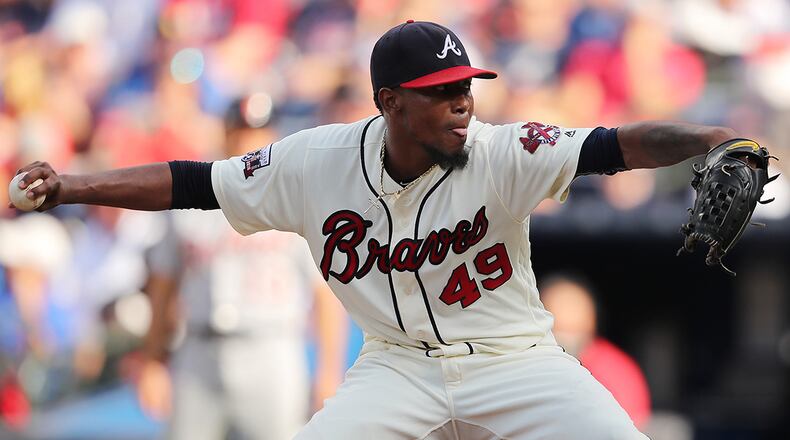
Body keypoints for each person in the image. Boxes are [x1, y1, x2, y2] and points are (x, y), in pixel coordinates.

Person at [9, 20, 749, 439]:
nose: (462, 104)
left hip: (516, 359)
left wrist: (708, 134)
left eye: (465, 89)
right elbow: (193, 182)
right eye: (440, 94)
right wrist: (73, 185)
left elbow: (616, 145)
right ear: (390, 102)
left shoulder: (503, 150)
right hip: (398, 366)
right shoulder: (315, 162)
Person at [135, 99, 348, 439]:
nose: (251, 142)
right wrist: (153, 361)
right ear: (227, 133)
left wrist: (328, 370)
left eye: (259, 132)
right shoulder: (191, 197)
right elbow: (162, 285)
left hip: (271, 347)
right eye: (244, 131)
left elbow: (326, 293)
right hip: (198, 351)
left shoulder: (298, 198)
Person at [539, 274, 651, 430]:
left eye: (574, 330)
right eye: (559, 329)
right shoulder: (526, 363)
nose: (566, 337)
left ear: (591, 322)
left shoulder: (615, 369)